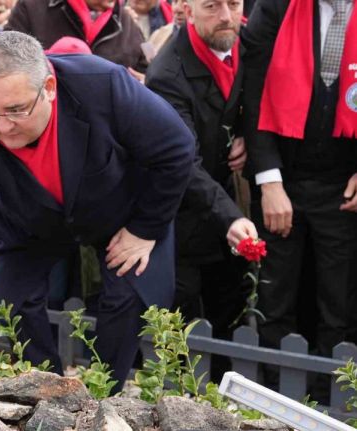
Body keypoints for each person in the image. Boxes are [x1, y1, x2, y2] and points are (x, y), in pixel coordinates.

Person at [0, 31, 195, 384]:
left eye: (16, 109)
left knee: (126, 294)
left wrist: (144, 229)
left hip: (118, 207)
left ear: (49, 88)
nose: (3, 126)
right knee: (9, 298)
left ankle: (104, 391)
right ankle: (46, 388)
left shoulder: (102, 85)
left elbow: (177, 147)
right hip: (30, 218)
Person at [242, 0, 357, 361]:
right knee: (273, 302)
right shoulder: (276, 6)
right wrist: (269, 180)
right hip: (283, 178)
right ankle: (272, 400)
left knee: (340, 306)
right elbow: (254, 88)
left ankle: (332, 402)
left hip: (344, 185)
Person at [145, 0, 256, 365]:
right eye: (211, 6)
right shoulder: (167, 74)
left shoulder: (243, 43)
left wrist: (241, 134)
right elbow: (184, 163)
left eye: (234, 4)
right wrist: (231, 217)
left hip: (220, 198)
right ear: (186, 9)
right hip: (180, 212)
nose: (226, 16)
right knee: (185, 324)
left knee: (230, 306)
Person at [5, 0, 147, 72]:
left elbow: (143, 71)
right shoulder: (32, 8)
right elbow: (6, 61)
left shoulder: (127, 22)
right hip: (49, 115)